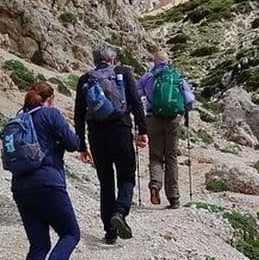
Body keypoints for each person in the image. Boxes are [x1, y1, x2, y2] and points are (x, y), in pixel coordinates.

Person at [12, 82, 81, 260]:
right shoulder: (51, 114)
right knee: (71, 233)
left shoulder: (18, 119)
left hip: (20, 188)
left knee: (39, 245)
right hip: (48, 183)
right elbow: (74, 143)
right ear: (49, 98)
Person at [74, 44, 148, 245]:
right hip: (121, 131)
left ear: (95, 61)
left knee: (106, 182)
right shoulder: (123, 73)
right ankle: (120, 212)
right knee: (127, 178)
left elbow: (79, 115)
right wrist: (142, 131)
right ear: (113, 59)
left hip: (97, 136)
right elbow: (135, 102)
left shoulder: (85, 79)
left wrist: (81, 145)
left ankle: (109, 232)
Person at [136, 50, 195, 209]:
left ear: (154, 61)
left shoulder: (148, 77)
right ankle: (174, 198)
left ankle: (155, 185)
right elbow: (190, 100)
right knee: (171, 157)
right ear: (167, 61)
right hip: (173, 120)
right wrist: (184, 111)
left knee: (155, 156)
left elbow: (135, 94)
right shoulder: (177, 77)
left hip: (153, 119)